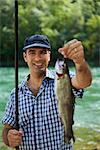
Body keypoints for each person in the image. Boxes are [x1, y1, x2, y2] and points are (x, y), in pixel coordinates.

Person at [2, 34, 92, 150]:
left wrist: (80, 62)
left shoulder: (63, 79)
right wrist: (9, 139)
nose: (38, 58)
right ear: (25, 57)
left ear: (49, 56)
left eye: (43, 52)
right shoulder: (15, 94)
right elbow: (7, 129)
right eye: (32, 52)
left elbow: (84, 81)